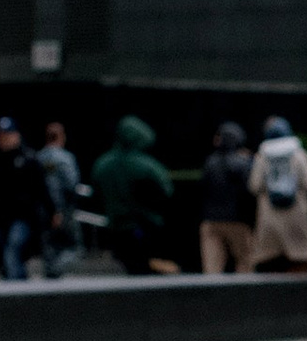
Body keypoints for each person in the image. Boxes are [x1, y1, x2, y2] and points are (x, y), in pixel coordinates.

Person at [92, 114, 177, 275]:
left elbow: (96, 193)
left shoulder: (102, 164)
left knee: (130, 270)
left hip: (115, 227)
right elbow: (167, 190)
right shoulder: (144, 165)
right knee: (144, 271)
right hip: (140, 227)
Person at [0, 116, 51, 281]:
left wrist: (52, 210)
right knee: (7, 252)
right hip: (1, 218)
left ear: (16, 135)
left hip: (23, 217)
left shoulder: (28, 159)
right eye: (1, 135)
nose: (4, 139)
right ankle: (17, 285)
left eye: (8, 135)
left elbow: (41, 188)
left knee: (13, 249)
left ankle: (16, 291)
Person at [249, 113, 307, 272]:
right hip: (296, 214)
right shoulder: (299, 154)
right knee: (299, 261)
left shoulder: (262, 155)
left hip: (270, 216)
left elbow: (254, 186)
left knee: (270, 261)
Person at [197, 120, 255, 277]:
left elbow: (202, 189)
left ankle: (211, 299)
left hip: (211, 221)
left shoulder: (210, 162)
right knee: (245, 263)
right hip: (238, 221)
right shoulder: (244, 163)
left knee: (212, 269)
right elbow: (251, 191)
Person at [35, 120, 83, 280]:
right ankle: (55, 272)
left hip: (43, 211)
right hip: (64, 211)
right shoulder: (65, 158)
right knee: (75, 248)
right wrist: (61, 209)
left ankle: (51, 286)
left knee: (49, 248)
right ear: (61, 136)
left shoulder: (38, 158)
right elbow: (71, 184)